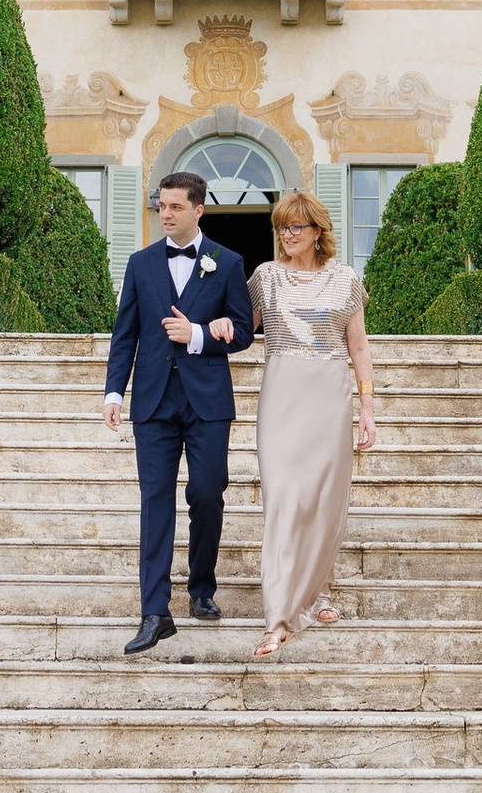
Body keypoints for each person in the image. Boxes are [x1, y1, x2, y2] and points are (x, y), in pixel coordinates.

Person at [101, 172, 256, 656]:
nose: (164, 214)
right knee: (155, 502)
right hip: (152, 400)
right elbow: (125, 331)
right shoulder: (141, 263)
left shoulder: (227, 263)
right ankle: (155, 611)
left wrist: (199, 335)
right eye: (160, 206)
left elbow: (246, 333)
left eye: (173, 207)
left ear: (198, 210)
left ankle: (202, 587)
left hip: (207, 400)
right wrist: (113, 392)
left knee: (208, 494)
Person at [246, 188, 375, 664]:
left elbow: (359, 348)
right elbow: (243, 327)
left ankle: (318, 593)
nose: (287, 234)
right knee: (283, 500)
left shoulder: (346, 281)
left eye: (296, 226)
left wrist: (368, 408)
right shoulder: (265, 277)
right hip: (282, 394)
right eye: (281, 226)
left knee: (323, 502)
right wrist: (211, 327)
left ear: (318, 230)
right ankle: (278, 618)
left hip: (330, 396)